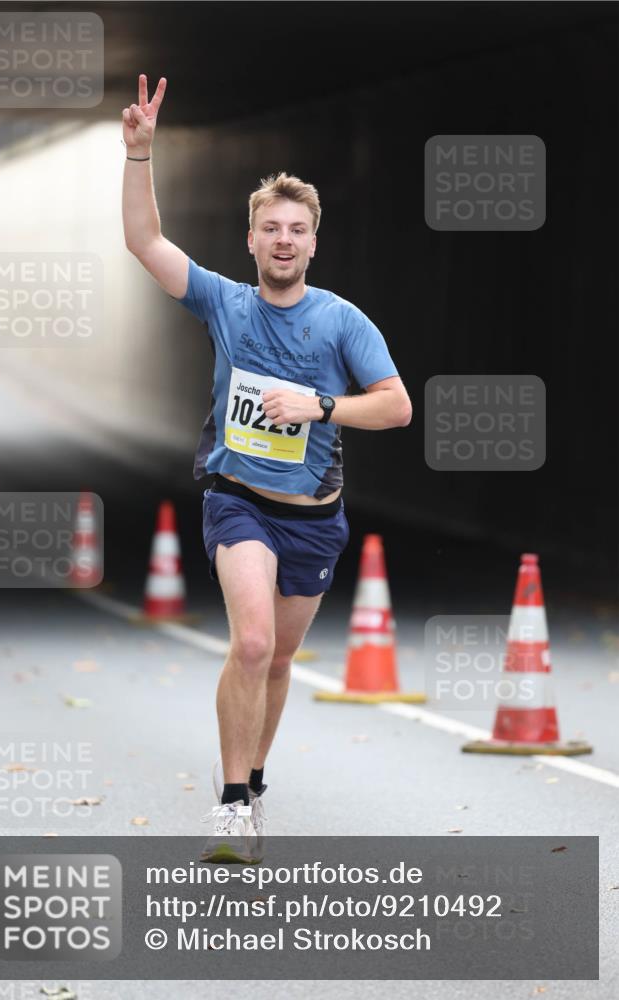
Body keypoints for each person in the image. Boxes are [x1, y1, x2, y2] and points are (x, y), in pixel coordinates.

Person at [122, 75, 412, 862]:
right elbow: (146, 243)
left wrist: (319, 407)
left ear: (313, 242)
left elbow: (395, 406)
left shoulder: (341, 321)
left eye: (296, 229)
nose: (283, 240)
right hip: (237, 500)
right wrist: (139, 155)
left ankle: (253, 779)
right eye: (270, 229)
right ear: (249, 240)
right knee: (250, 645)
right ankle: (228, 803)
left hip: (314, 515)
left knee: (279, 659)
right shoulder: (222, 302)